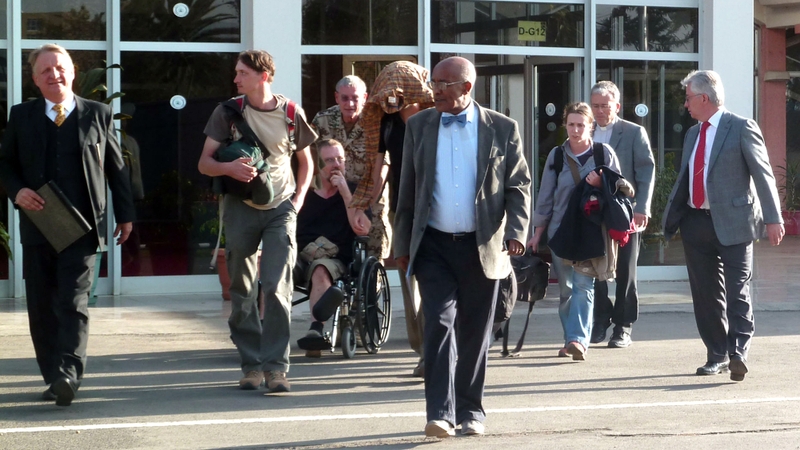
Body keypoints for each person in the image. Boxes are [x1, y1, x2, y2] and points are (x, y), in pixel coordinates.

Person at [393, 56, 531, 438]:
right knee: (437, 325)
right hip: (433, 245)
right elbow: (407, 189)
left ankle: (471, 411)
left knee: (474, 332)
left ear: (466, 88)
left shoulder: (502, 128)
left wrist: (516, 232)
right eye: (433, 82)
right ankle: (439, 413)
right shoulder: (419, 125)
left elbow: (519, 185)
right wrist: (401, 242)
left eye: (443, 83)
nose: (434, 90)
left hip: (483, 245)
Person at [0, 43, 135, 407]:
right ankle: (52, 376)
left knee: (74, 302)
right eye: (45, 71)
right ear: (34, 79)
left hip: (84, 227)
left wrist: (125, 215)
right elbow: (4, 165)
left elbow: (115, 168)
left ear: (72, 72)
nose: (54, 75)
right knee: (42, 305)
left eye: (59, 68)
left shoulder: (99, 113)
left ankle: (69, 374)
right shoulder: (21, 115)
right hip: (38, 224)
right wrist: (18, 191)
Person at [198, 50, 317, 393]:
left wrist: (297, 201)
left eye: (242, 73)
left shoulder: (291, 113)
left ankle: (277, 369)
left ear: (263, 76)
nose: (235, 79)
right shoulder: (228, 113)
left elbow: (305, 163)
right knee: (242, 290)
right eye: (236, 73)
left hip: (281, 208)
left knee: (277, 289)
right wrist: (227, 168)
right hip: (239, 207)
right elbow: (204, 163)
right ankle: (251, 365)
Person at [662, 70, 784, 382]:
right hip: (696, 223)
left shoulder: (741, 127)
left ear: (704, 98)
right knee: (706, 295)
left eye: (689, 98)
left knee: (737, 291)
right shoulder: (693, 133)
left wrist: (773, 218)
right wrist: (672, 219)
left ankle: (738, 353)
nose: (686, 105)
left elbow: (763, 174)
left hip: (734, 223)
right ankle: (716, 354)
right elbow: (685, 179)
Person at [350, 61, 435, 378]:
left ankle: (431, 352)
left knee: (430, 278)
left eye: (396, 91)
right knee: (407, 271)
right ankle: (422, 346)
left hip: (435, 208)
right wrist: (367, 202)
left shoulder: (434, 119)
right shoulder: (386, 123)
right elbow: (380, 163)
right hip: (403, 207)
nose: (390, 98)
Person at [527, 102, 625, 361]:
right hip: (561, 232)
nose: (575, 129)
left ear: (591, 126)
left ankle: (578, 340)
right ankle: (569, 338)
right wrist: (538, 233)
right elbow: (545, 197)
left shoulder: (604, 154)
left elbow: (621, 189)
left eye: (581, 124)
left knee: (584, 285)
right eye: (571, 124)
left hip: (593, 231)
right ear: (565, 126)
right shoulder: (557, 156)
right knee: (566, 290)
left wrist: (601, 181)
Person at [589, 81, 655, 348]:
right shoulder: (585, 130)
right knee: (594, 268)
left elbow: (646, 171)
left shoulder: (633, 132)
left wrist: (643, 208)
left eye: (605, 106)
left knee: (626, 270)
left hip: (625, 211)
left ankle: (623, 326)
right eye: (595, 106)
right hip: (593, 211)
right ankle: (600, 319)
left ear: (616, 105)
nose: (600, 111)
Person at [295, 139, 364, 357]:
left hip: (335, 258)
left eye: (340, 159)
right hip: (300, 256)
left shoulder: (355, 192)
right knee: (272, 267)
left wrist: (345, 194)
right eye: (329, 160)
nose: (336, 164)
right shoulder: (304, 192)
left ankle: (316, 331)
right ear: (317, 165)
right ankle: (263, 331)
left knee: (320, 269)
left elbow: (362, 229)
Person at [311, 76, 385, 250]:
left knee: (373, 251)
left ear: (365, 98)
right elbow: (311, 160)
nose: (350, 104)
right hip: (333, 200)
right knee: (333, 248)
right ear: (337, 97)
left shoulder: (377, 123)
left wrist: (364, 205)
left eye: (355, 98)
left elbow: (383, 169)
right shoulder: (322, 121)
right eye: (345, 98)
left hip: (369, 198)